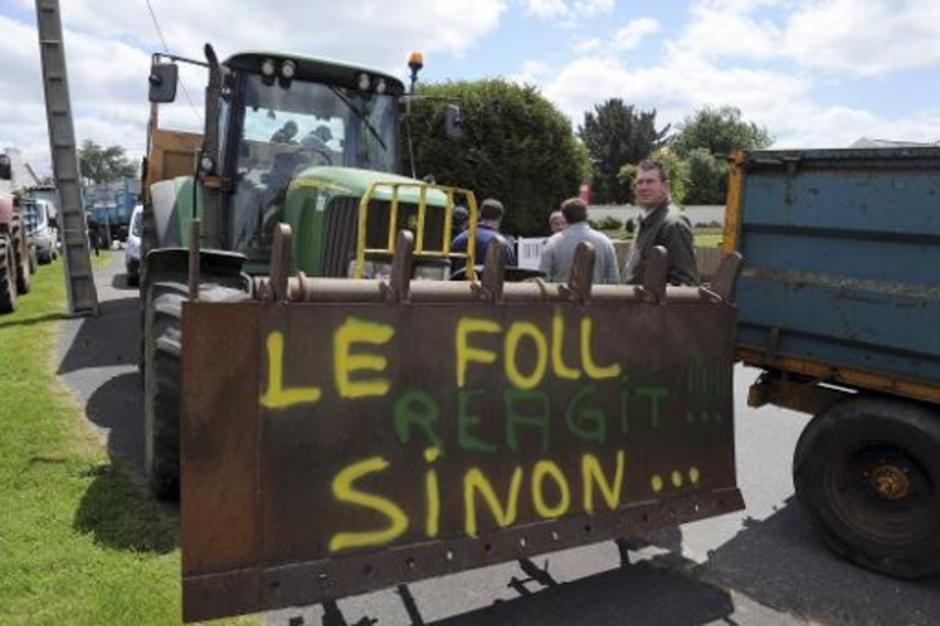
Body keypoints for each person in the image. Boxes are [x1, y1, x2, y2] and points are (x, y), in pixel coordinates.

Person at [622, 159, 699, 286]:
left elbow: (684, 283)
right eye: (639, 182)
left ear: (665, 187)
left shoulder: (673, 224)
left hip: (651, 306)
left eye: (650, 181)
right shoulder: (645, 222)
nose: (643, 187)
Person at [538, 197, 619, 284]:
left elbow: (543, 277)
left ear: (565, 217)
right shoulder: (604, 241)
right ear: (587, 215)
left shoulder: (552, 242)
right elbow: (614, 279)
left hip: (562, 296)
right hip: (597, 295)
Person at [451, 198, 516, 272]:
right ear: (500, 218)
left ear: (480, 215)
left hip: (458, 283)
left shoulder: (459, 239)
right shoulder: (502, 244)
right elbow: (510, 273)